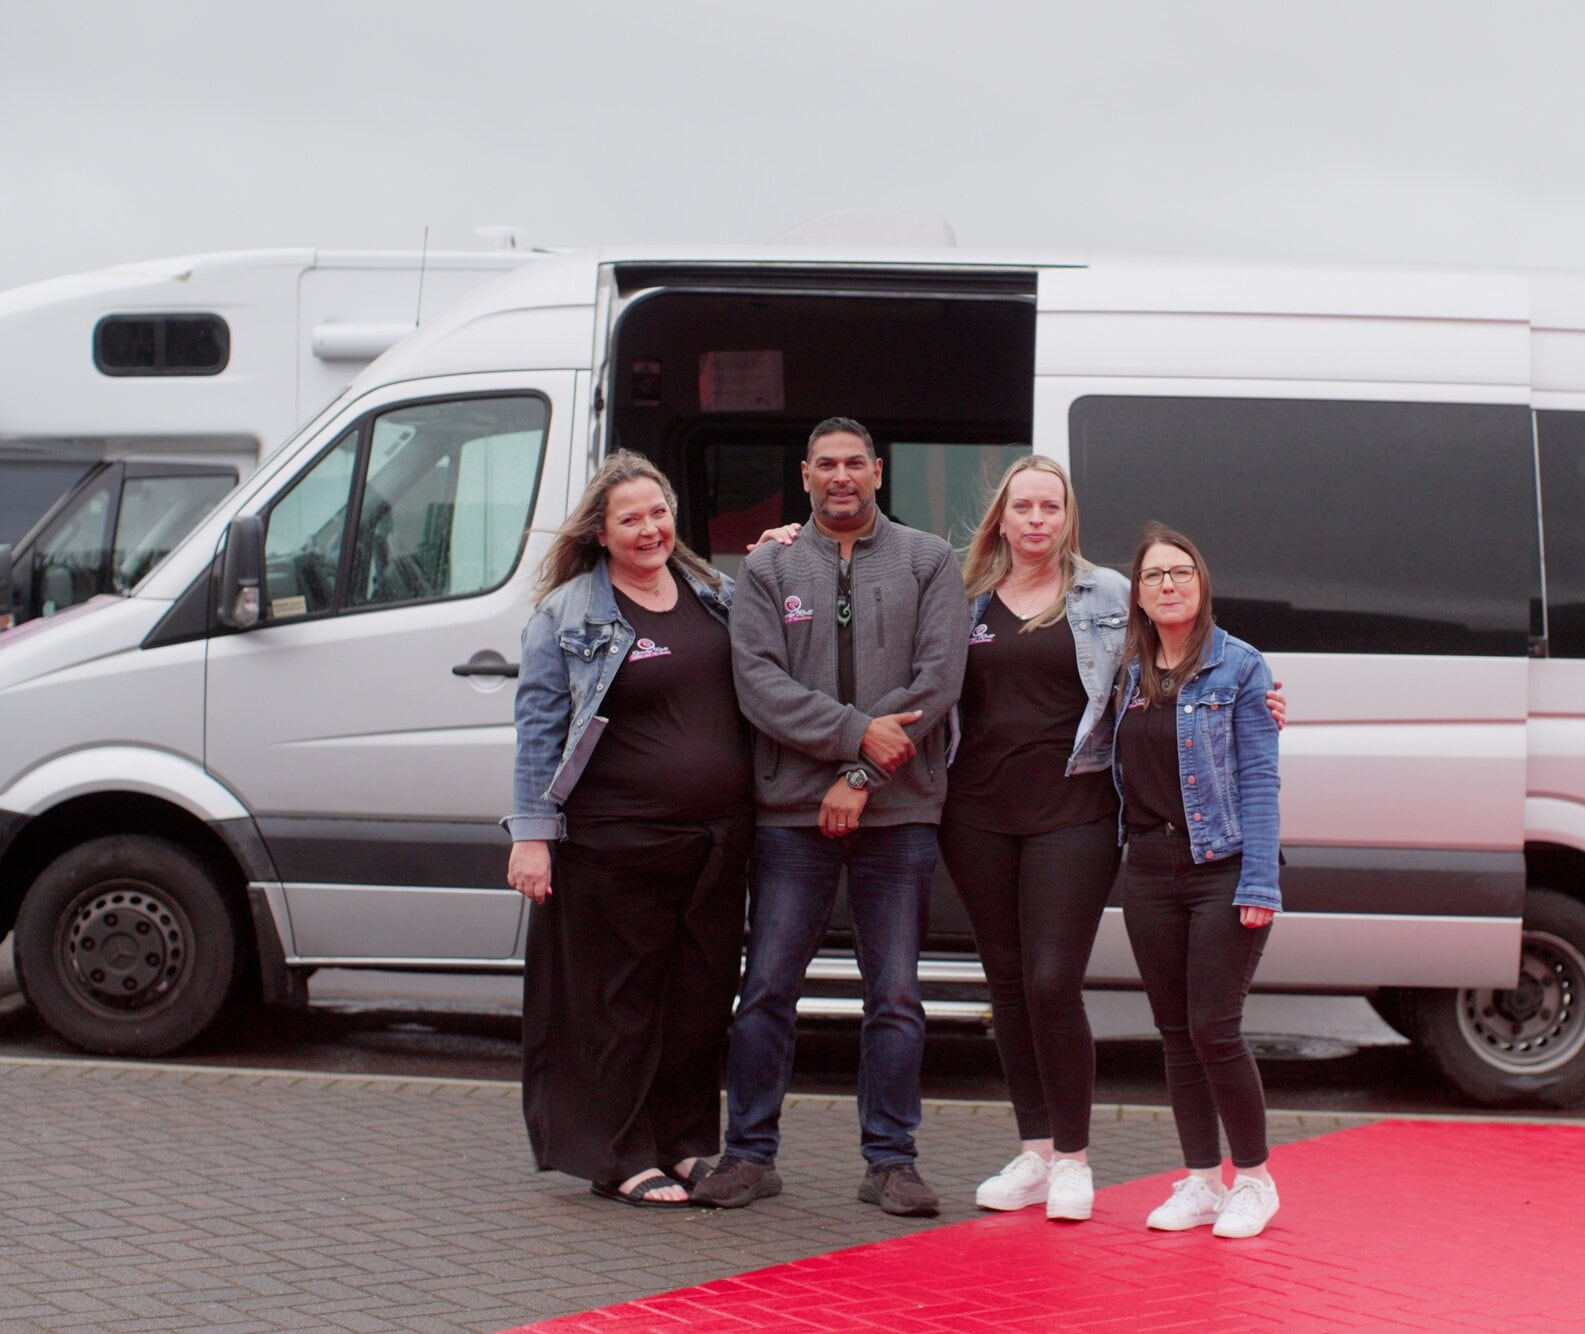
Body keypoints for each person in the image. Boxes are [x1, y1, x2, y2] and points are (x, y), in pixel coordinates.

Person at [941, 457, 1287, 1223]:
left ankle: (1073, 1159)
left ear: (1068, 518)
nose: (1036, 518)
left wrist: (1260, 696)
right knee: (1008, 987)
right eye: (1022, 506)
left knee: (1053, 981)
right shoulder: (961, 603)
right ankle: (1035, 1152)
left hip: (1076, 810)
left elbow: (1191, 649)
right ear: (1000, 516)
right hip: (977, 816)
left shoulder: (1103, 594)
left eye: (1050, 507)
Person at [692, 417, 968, 1217]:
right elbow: (758, 685)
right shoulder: (769, 565)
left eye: (855, 463)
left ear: (879, 472)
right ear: (805, 476)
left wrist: (857, 775)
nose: (841, 476)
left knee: (895, 995)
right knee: (769, 988)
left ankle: (891, 1163)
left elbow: (937, 679)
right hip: (789, 816)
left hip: (898, 814)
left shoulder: (929, 560)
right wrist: (855, 735)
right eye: (826, 465)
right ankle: (748, 1155)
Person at [504, 450, 753, 1207]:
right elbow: (539, 731)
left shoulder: (714, 592)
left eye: (658, 513)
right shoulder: (569, 614)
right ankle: (621, 1153)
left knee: (701, 1000)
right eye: (631, 519)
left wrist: (784, 553)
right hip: (615, 844)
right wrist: (531, 834)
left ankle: (682, 1144)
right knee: (622, 1003)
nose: (649, 529)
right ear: (602, 533)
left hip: (717, 840)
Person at [1112, 521, 1284, 1240]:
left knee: (1215, 1026)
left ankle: (1254, 1180)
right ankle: (1200, 1181)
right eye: (1155, 576)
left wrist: (1261, 883)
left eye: (1181, 572)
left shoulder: (1239, 667)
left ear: (1201, 582)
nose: (1170, 585)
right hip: (1150, 869)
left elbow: (1260, 780)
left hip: (1223, 865)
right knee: (1175, 1032)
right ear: (1140, 594)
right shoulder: (1124, 670)